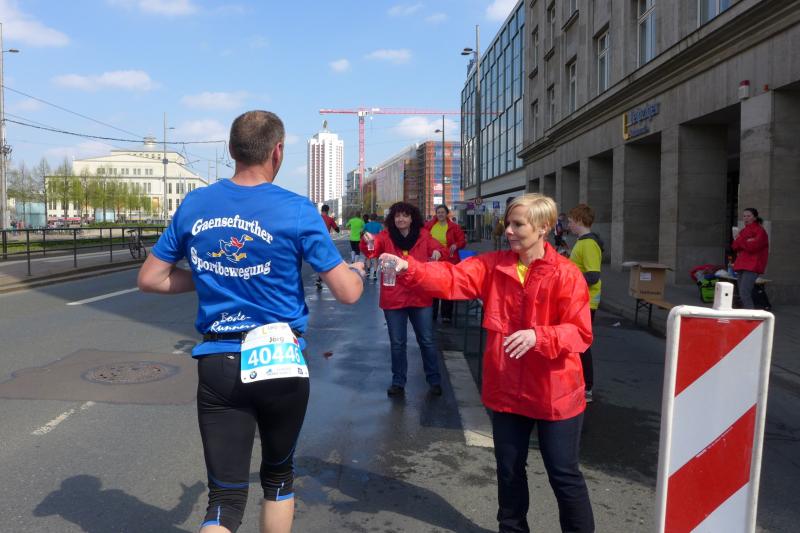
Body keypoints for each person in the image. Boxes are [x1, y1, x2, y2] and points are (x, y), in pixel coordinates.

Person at [137, 110, 366, 533]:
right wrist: (358, 271)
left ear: (231, 150)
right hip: (280, 361)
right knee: (278, 479)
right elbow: (348, 293)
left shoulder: (195, 204)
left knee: (224, 500)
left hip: (219, 361)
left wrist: (215, 276)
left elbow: (150, 278)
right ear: (278, 151)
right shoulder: (296, 210)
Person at [380, 194, 594, 532]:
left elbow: (579, 332)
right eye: (508, 223)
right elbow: (452, 279)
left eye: (518, 224)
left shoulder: (566, 274)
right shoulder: (494, 265)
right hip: (508, 389)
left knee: (563, 474)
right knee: (509, 470)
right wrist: (410, 268)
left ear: (543, 227)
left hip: (555, 392)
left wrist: (539, 337)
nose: (508, 230)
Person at [361, 201, 446, 397]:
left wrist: (437, 252)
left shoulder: (423, 235)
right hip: (394, 297)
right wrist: (368, 241)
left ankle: (434, 380)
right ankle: (398, 381)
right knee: (397, 343)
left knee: (426, 340)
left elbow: (438, 248)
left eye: (405, 215)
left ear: (412, 218)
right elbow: (372, 250)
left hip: (420, 296)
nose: (401, 219)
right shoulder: (386, 236)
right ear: (393, 219)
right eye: (397, 215)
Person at [567, 204, 603, 403]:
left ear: (579, 220)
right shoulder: (583, 242)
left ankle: (587, 387)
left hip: (585, 302)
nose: (569, 225)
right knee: (578, 344)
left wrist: (568, 280)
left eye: (571, 221)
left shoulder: (588, 244)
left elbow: (593, 276)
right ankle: (581, 384)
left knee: (582, 345)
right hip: (580, 300)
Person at [424, 204, 466, 323]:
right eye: (438, 212)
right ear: (436, 214)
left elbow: (462, 241)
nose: (440, 214)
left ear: (447, 214)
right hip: (433, 260)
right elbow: (422, 238)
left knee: (447, 287)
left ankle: (446, 314)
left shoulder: (454, 227)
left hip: (449, 259)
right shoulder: (429, 225)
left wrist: (456, 245)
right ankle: (432, 313)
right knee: (432, 287)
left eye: (443, 212)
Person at [732, 207, 769, 309]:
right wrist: (743, 241)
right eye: (744, 216)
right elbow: (735, 246)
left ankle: (750, 315)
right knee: (742, 293)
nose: (746, 218)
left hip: (752, 265)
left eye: (748, 216)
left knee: (744, 293)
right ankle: (747, 313)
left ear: (755, 217)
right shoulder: (744, 231)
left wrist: (740, 240)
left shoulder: (760, 231)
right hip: (742, 264)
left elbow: (752, 247)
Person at [316, 204, 341, 289]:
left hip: (316, 241)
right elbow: (337, 230)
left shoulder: (317, 218)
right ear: (327, 211)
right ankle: (320, 279)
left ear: (321, 210)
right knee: (325, 260)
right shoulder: (330, 219)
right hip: (325, 241)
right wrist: (334, 222)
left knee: (319, 260)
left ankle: (319, 278)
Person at [363, 214, 384, 280]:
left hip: (369, 242)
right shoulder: (379, 225)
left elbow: (363, 232)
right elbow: (381, 233)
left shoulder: (367, 225)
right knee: (375, 258)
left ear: (370, 218)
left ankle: (368, 271)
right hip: (376, 242)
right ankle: (375, 274)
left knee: (368, 257)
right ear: (376, 218)